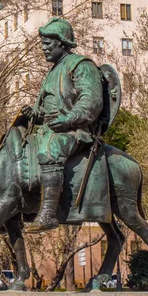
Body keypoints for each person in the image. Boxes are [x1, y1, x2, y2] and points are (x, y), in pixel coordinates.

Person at [20, 18, 103, 233]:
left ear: (61, 43)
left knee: (49, 151)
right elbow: (46, 110)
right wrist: (34, 114)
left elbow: (91, 101)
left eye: (47, 44)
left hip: (76, 130)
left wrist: (68, 120)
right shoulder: (52, 71)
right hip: (50, 129)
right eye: (43, 43)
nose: (43, 48)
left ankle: (48, 214)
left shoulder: (81, 65)